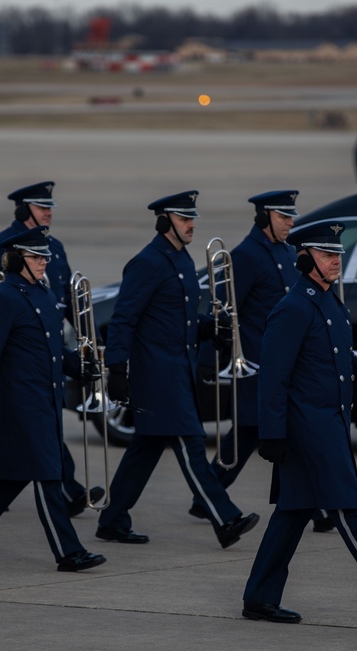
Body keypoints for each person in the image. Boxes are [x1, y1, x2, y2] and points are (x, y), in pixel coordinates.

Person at [241, 219, 357, 626]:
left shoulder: (329, 303)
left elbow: (340, 362)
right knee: (348, 510)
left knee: (292, 515)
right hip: (309, 431)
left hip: (328, 424)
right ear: (305, 258)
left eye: (338, 255)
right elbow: (273, 378)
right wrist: (270, 433)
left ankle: (258, 597)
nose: (336, 262)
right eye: (327, 255)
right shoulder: (292, 308)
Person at [98, 190, 259, 548]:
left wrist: (207, 329)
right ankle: (224, 518)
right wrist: (117, 369)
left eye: (193, 219)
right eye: (185, 219)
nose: (192, 225)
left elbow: (177, 318)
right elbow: (124, 319)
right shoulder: (147, 262)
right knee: (192, 444)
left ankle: (112, 519)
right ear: (164, 221)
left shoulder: (182, 260)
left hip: (177, 371)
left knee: (145, 450)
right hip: (157, 376)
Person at [0, 226, 106, 573]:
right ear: (18, 258)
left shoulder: (42, 294)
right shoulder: (4, 298)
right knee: (50, 475)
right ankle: (69, 552)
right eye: (35, 257)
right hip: (20, 402)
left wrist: (81, 366)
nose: (43, 263)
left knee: (11, 477)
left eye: (45, 256)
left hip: (46, 398)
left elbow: (50, 350)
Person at [0, 181, 101, 515]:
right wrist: (18, 311)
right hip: (18, 347)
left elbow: (65, 295)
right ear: (23, 210)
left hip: (45, 347)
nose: (48, 211)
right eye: (41, 207)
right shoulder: (1, 245)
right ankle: (66, 492)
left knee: (19, 433)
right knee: (34, 432)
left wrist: (82, 340)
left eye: (49, 206)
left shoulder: (56, 247)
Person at [189, 190, 308, 519]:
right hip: (256, 361)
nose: (290, 222)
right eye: (284, 217)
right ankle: (208, 496)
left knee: (268, 430)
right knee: (250, 430)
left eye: (290, 216)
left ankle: (304, 502)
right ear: (264, 217)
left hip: (284, 361)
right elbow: (224, 311)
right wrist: (207, 360)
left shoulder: (286, 252)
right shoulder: (247, 256)